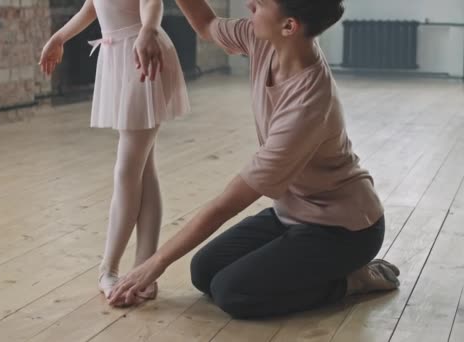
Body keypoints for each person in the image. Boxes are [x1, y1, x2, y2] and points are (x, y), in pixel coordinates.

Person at [108, 0, 400, 317]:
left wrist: (153, 263)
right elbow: (206, 24)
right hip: (294, 212)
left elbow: (227, 203)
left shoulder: (308, 105)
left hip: (344, 230)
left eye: (260, 4)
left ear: (289, 26)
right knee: (204, 270)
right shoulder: (263, 39)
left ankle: (352, 280)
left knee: (234, 293)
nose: (249, 5)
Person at [39, 0, 190, 303]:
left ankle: (108, 269)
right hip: (120, 56)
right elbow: (91, 9)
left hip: (143, 56)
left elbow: (151, 2)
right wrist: (59, 37)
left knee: (127, 170)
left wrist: (148, 29)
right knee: (143, 169)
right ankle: (145, 269)